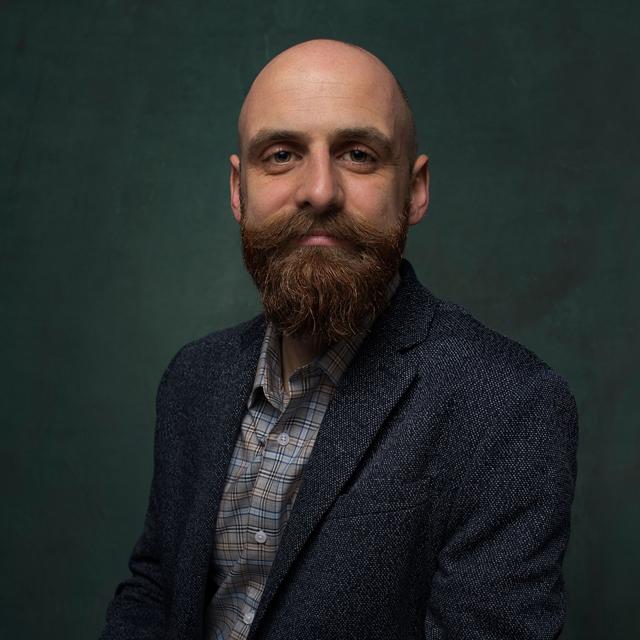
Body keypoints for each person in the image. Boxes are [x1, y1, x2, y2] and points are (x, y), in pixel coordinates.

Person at [101, 39, 578, 640]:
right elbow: (156, 589)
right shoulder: (193, 379)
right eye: (280, 155)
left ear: (416, 189)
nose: (319, 190)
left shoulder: (513, 407)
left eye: (357, 154)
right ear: (237, 190)